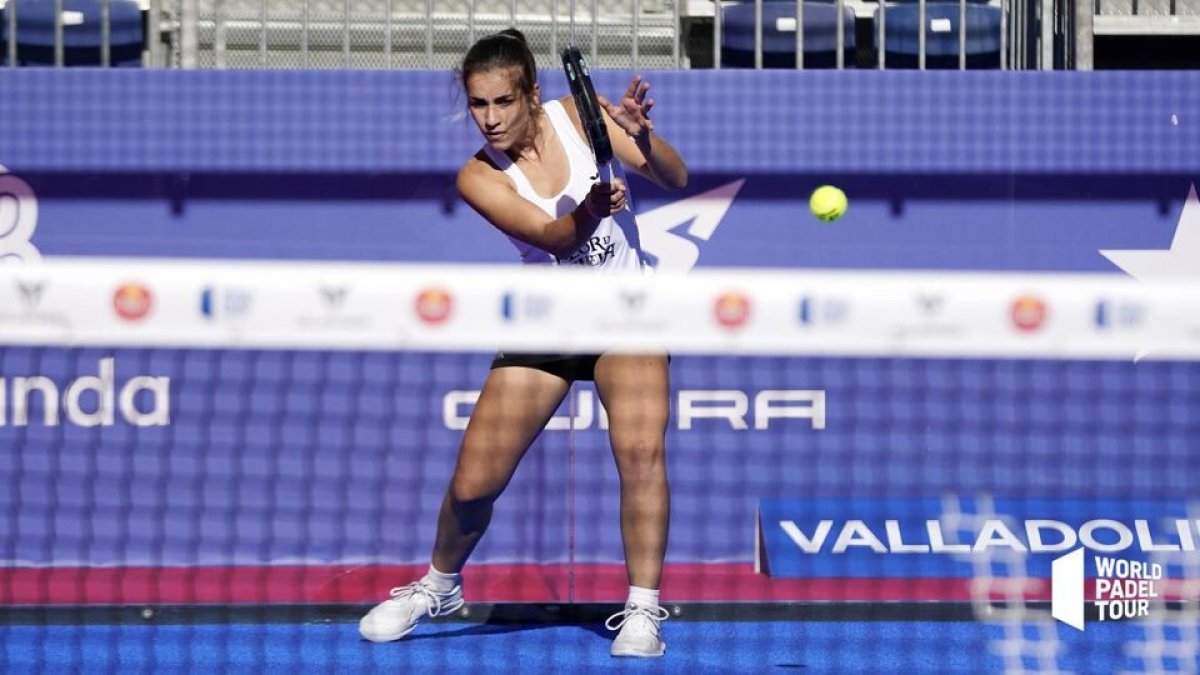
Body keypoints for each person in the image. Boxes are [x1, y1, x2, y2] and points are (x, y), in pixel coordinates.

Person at [358, 28, 688, 658]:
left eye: (501, 103)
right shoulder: (478, 178)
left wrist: (642, 139)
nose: (489, 119)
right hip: (549, 322)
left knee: (642, 453)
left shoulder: (579, 118)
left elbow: (676, 176)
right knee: (473, 483)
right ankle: (439, 586)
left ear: (533, 95)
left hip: (630, 315)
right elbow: (556, 237)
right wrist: (592, 208)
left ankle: (643, 608)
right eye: (478, 105)